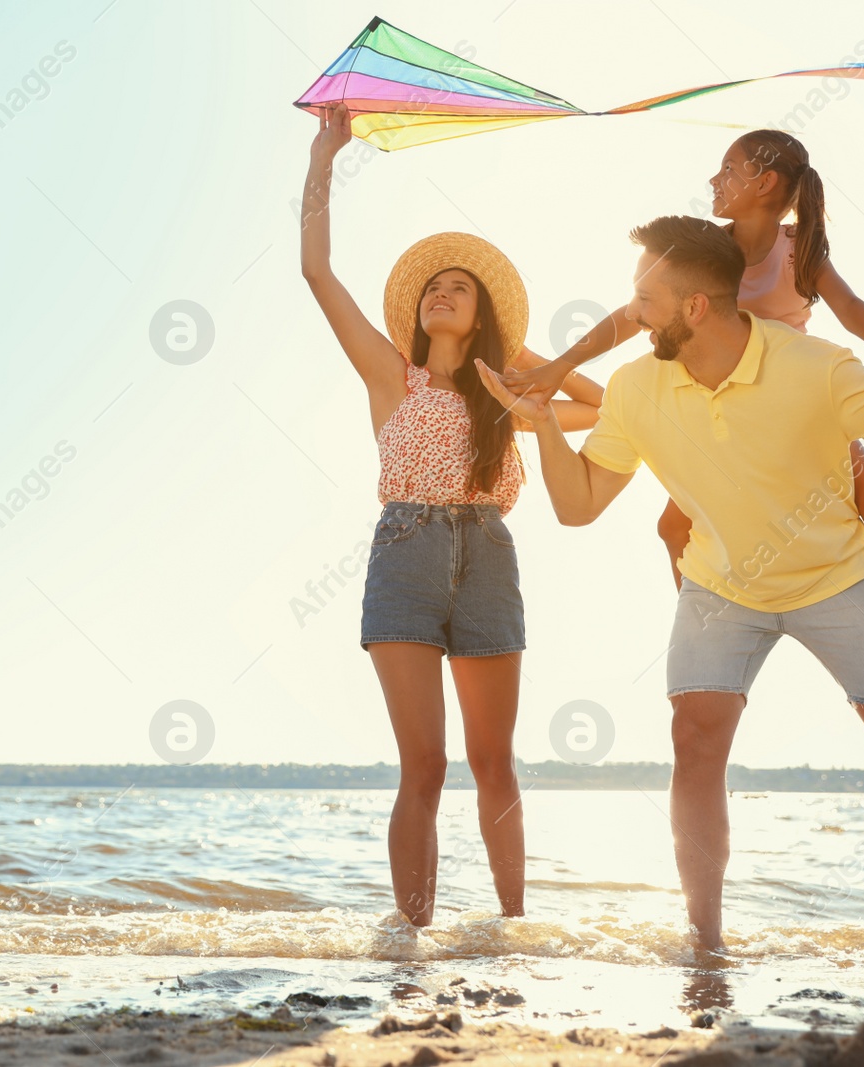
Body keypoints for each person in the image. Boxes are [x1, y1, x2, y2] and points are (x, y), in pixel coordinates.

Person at [475, 215, 864, 959]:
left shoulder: (816, 366)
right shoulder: (636, 388)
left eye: (646, 297)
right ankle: (704, 942)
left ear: (695, 307)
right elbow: (578, 506)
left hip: (833, 579)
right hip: (720, 589)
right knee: (694, 740)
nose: (631, 312)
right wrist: (543, 423)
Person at [506, 130, 864, 702]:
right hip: (719, 416)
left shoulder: (798, 250)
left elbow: (851, 310)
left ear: (765, 183)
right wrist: (561, 364)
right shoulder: (706, 253)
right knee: (673, 526)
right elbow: (632, 315)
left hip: (794, 412)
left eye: (728, 170)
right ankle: (715, 635)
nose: (713, 181)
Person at [299, 103, 603, 925]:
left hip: (488, 556)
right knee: (425, 763)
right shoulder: (391, 376)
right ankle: (413, 933)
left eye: (459, 289)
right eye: (434, 287)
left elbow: (600, 405)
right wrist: (325, 156)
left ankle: (513, 926)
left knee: (494, 760)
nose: (442, 293)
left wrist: (520, 359)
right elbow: (318, 273)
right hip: (404, 549)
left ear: (482, 315)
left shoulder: (507, 397)